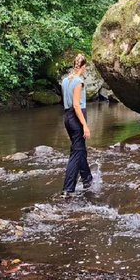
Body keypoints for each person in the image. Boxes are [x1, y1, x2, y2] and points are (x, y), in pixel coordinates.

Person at [61, 53, 93, 195]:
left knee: (80, 150)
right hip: (76, 117)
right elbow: (76, 104)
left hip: (67, 117)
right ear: (83, 67)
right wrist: (84, 125)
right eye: (85, 67)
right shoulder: (79, 82)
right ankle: (68, 189)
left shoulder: (65, 81)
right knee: (76, 152)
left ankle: (87, 180)